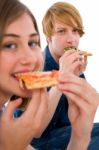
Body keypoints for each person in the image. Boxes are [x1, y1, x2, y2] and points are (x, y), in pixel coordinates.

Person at [31, 2, 99, 150]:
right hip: (37, 143)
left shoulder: (70, 63)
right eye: (62, 31)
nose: (71, 39)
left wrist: (76, 77)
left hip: (66, 135)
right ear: (48, 37)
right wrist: (63, 77)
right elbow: (35, 131)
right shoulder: (35, 68)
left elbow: (79, 120)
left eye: (75, 31)